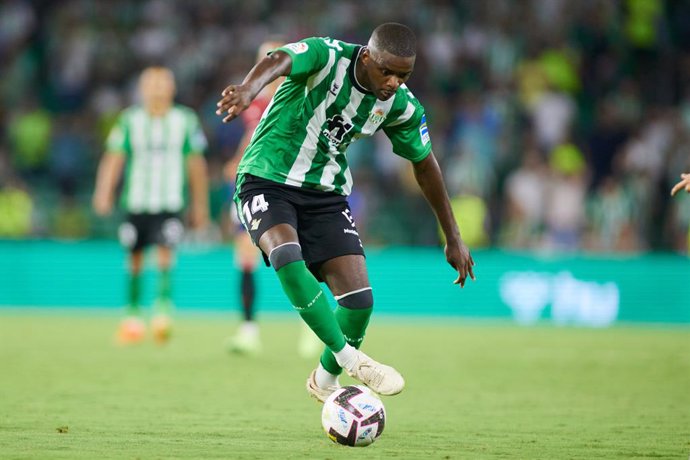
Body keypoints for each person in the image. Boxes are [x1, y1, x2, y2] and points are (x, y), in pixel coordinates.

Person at [216, 23, 474, 401]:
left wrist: (452, 236)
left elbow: (425, 164)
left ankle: (324, 381)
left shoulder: (400, 104)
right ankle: (352, 360)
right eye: (387, 71)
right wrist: (249, 89)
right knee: (287, 254)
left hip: (325, 193)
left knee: (359, 303)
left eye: (403, 75)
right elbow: (279, 60)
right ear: (368, 56)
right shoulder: (328, 55)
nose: (393, 82)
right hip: (265, 178)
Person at [93, 66, 209, 344]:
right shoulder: (129, 120)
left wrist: (200, 204)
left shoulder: (185, 120)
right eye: (152, 83)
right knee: (133, 257)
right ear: (142, 89)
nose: (157, 88)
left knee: (165, 252)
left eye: (162, 83)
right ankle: (132, 315)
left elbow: (195, 164)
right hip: (136, 201)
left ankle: (162, 311)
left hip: (169, 201)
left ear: (172, 88)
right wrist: (104, 192)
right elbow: (114, 158)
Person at [223, 39, 323, 357]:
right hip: (255, 184)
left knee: (302, 258)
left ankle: (312, 330)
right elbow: (254, 138)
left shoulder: (302, 96)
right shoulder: (253, 103)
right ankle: (248, 330)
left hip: (294, 186)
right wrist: (237, 160)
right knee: (245, 255)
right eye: (264, 58)